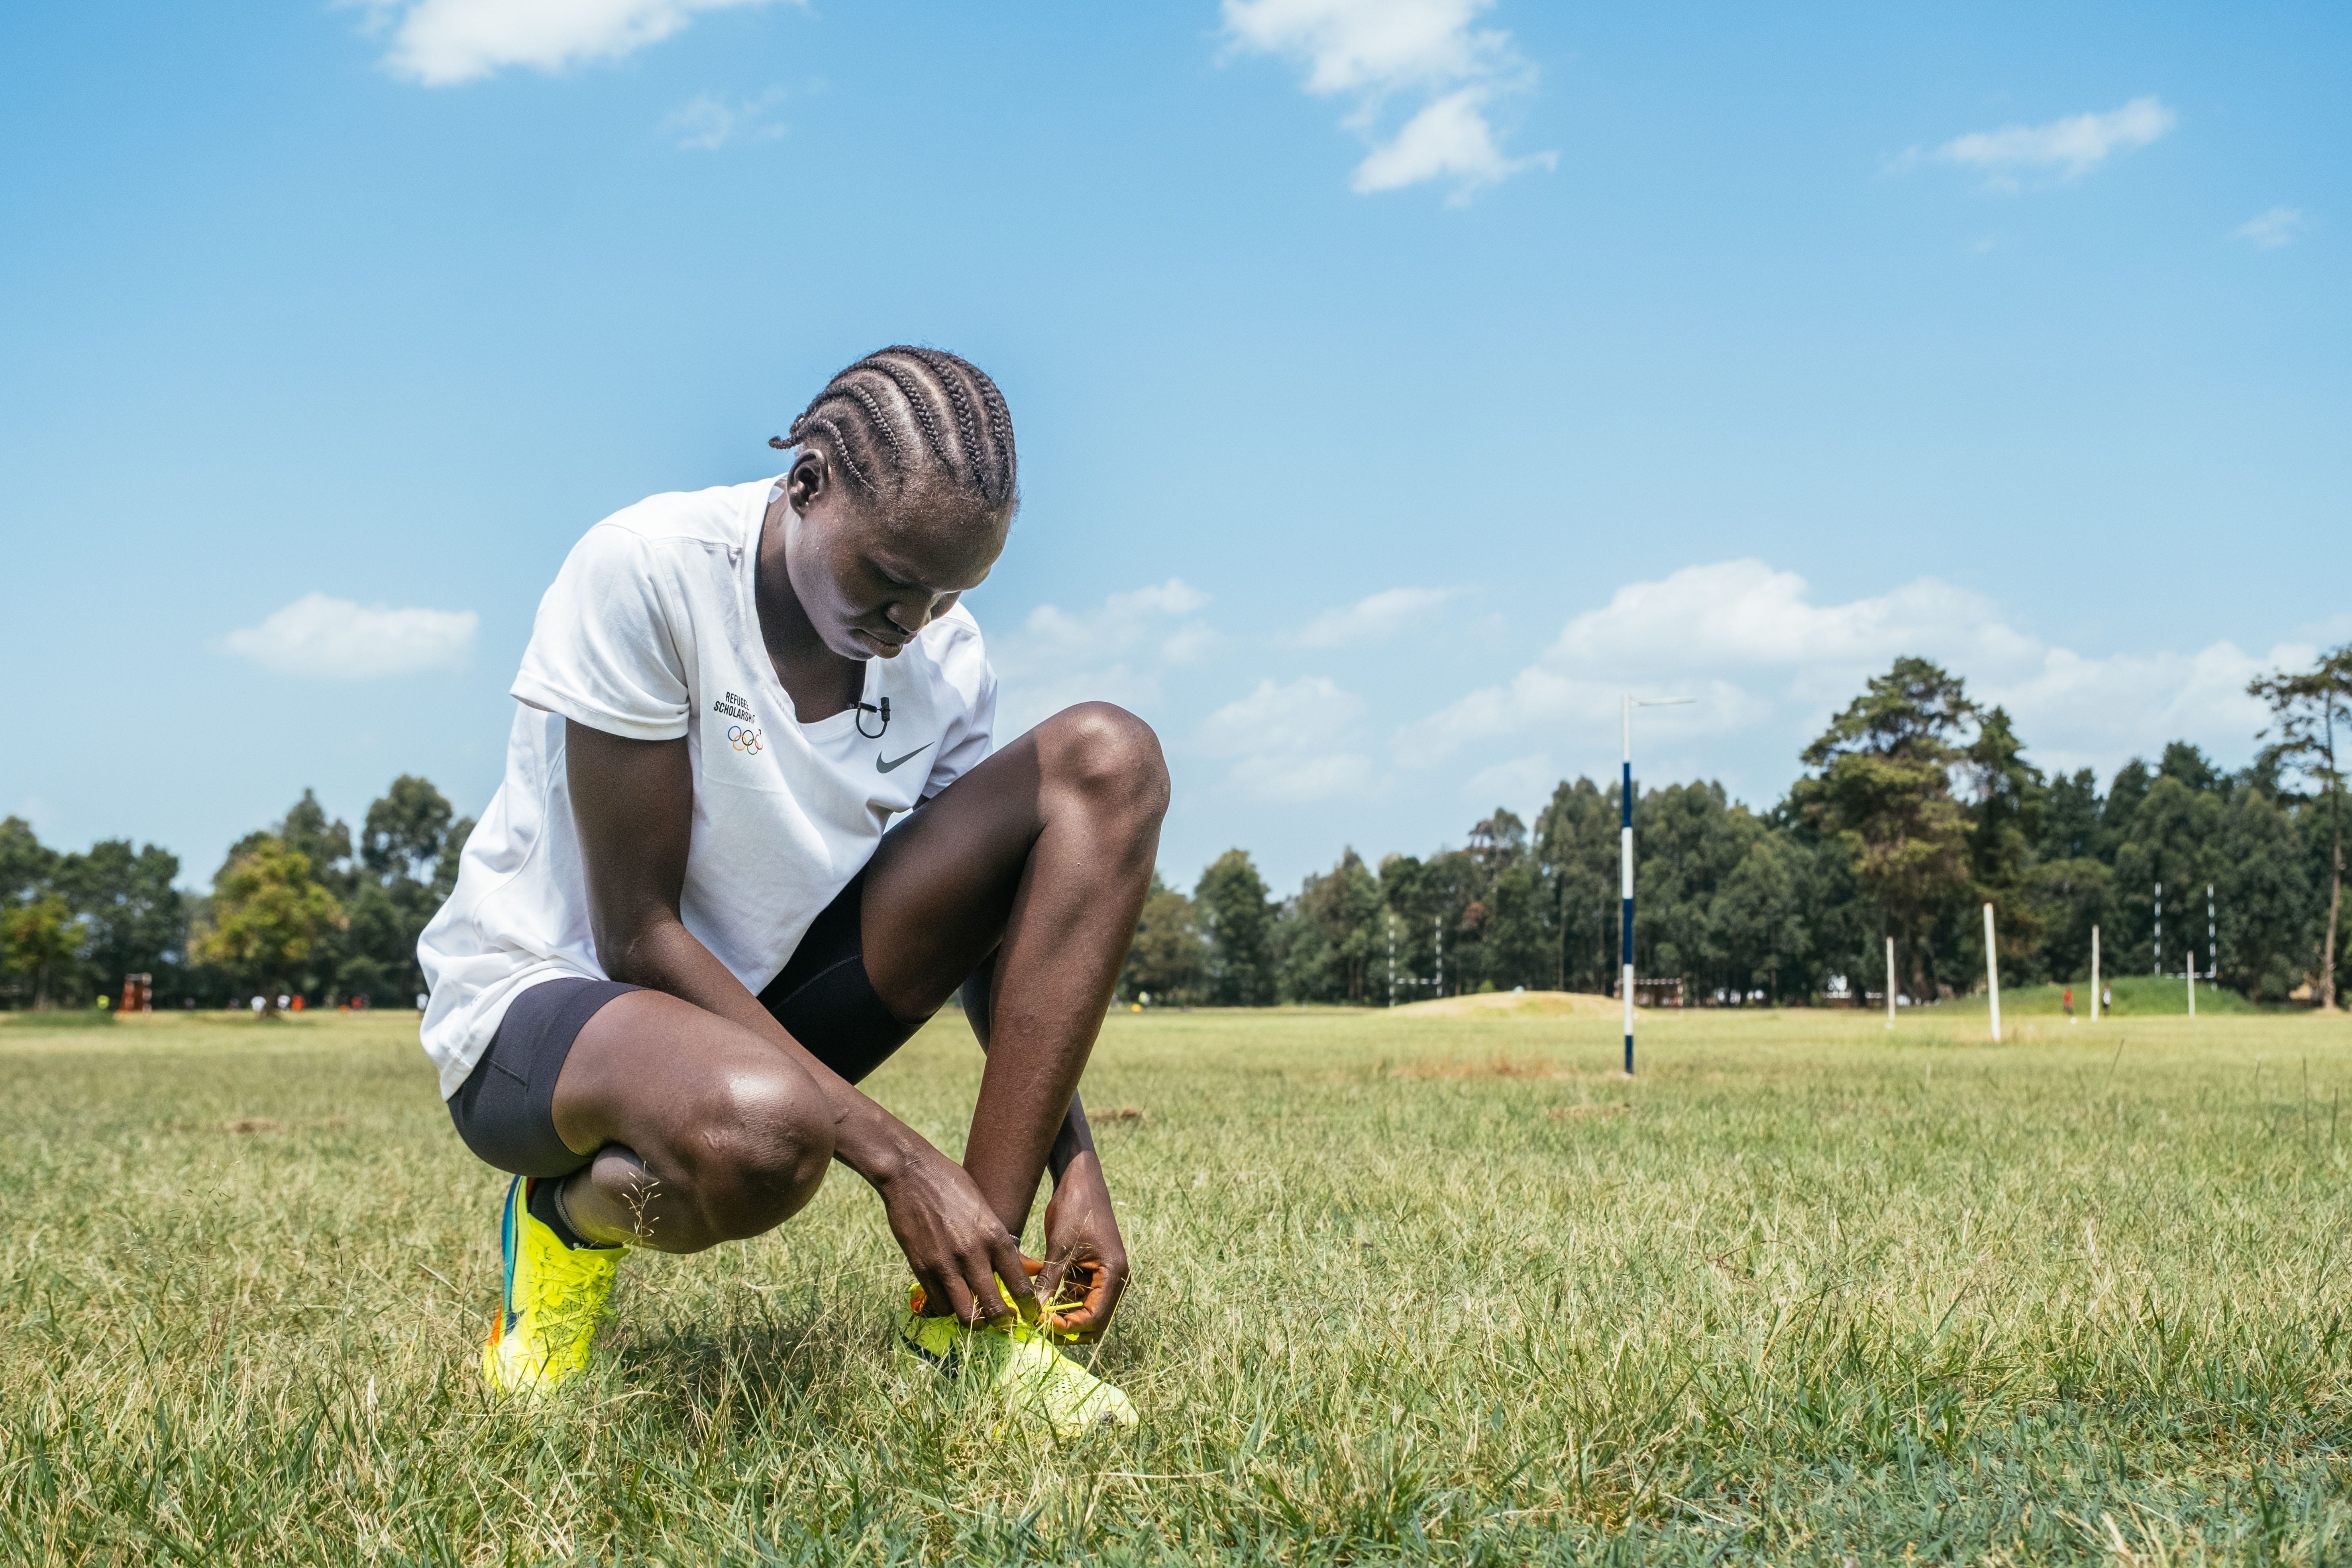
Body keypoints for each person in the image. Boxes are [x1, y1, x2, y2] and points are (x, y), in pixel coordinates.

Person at [418, 347, 1165, 1437]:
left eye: (955, 590)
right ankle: (565, 1224)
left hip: (758, 1016)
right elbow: (636, 935)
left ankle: (971, 1316)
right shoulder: (648, 570)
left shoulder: (947, 661)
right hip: (548, 1012)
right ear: (808, 483)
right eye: (890, 578)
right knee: (764, 1141)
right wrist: (903, 1160)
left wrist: (1076, 1167)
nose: (916, 621)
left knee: (1109, 757)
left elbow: (994, 931)